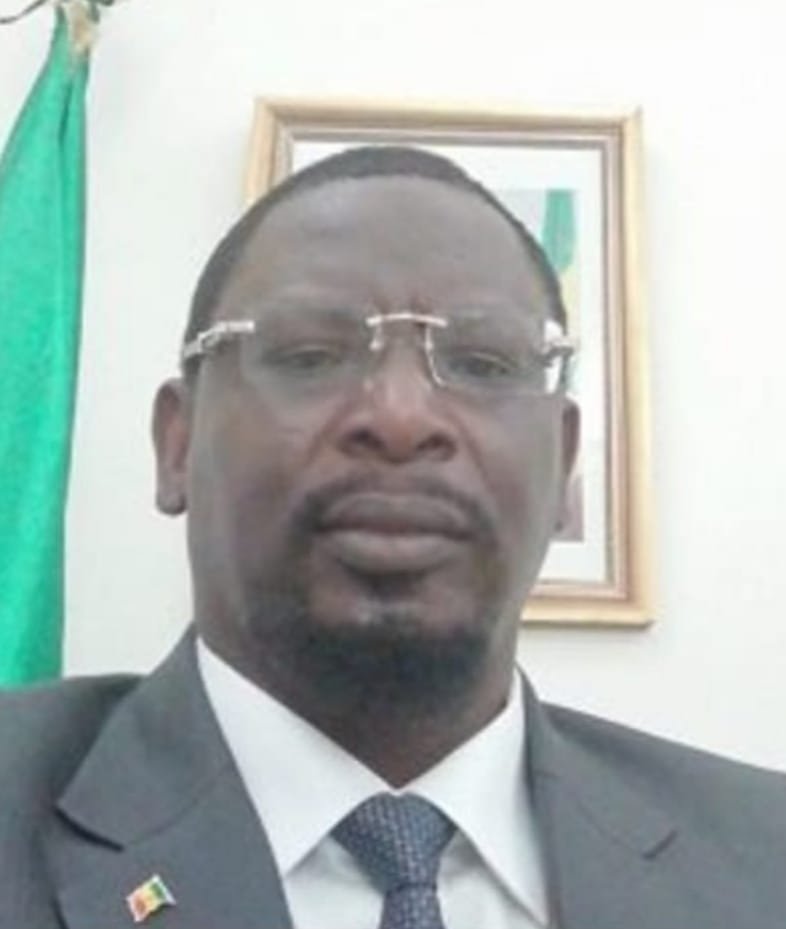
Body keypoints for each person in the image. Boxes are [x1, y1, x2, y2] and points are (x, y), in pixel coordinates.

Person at [1, 146, 785, 929]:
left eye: (483, 362)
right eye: (310, 355)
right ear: (177, 444)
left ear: (564, 463)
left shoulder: (763, 861)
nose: (402, 418)